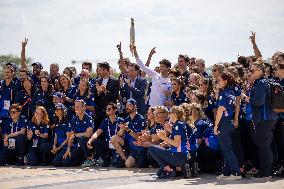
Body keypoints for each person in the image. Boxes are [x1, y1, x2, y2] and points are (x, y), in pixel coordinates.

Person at [242, 62, 278, 179]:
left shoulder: (262, 83)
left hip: (264, 119)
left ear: (260, 71)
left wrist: (246, 98)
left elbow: (259, 102)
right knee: (264, 146)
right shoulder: (261, 82)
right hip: (267, 118)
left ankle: (266, 173)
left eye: (252, 71)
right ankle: (265, 171)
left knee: (264, 146)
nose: (250, 73)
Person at [214, 71, 242, 180]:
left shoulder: (224, 93)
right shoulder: (230, 92)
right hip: (228, 121)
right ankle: (226, 172)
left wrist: (216, 126)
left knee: (227, 149)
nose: (218, 82)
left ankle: (236, 173)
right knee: (226, 148)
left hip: (224, 122)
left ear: (225, 81)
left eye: (220, 80)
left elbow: (220, 110)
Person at [149, 106, 188, 179]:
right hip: (180, 155)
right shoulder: (179, 124)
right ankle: (179, 169)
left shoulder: (177, 125)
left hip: (178, 156)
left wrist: (163, 137)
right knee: (159, 173)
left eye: (170, 113)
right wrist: (169, 130)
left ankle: (169, 169)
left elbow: (176, 144)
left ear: (175, 114)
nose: (169, 115)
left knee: (151, 148)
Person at [84, 102, 124, 167]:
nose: (107, 110)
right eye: (106, 109)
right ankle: (106, 159)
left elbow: (122, 133)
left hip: (117, 144)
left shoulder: (121, 120)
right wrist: (90, 141)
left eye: (109, 109)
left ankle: (117, 158)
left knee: (117, 164)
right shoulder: (105, 121)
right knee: (95, 141)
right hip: (108, 143)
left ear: (115, 110)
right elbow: (97, 132)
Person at [111, 99, 145, 168]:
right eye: (126, 105)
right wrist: (122, 130)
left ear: (135, 107)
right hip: (127, 145)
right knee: (114, 138)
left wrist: (128, 130)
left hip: (136, 147)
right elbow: (119, 134)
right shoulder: (126, 119)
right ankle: (125, 159)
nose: (127, 107)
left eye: (129, 105)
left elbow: (138, 137)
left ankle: (133, 160)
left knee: (129, 164)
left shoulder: (140, 118)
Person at [62, 99, 94, 167]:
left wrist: (76, 135)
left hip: (87, 144)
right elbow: (71, 137)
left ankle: (89, 158)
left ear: (84, 108)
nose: (76, 109)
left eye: (78, 107)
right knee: (66, 163)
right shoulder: (74, 119)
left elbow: (88, 134)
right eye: (75, 107)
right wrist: (68, 149)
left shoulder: (89, 118)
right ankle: (81, 160)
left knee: (82, 139)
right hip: (77, 145)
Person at [93, 62, 119, 130]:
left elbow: (114, 98)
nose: (99, 72)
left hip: (110, 113)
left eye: (100, 70)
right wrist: (98, 92)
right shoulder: (97, 81)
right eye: (98, 70)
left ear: (106, 70)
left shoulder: (115, 81)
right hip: (99, 113)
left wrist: (105, 92)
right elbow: (94, 98)